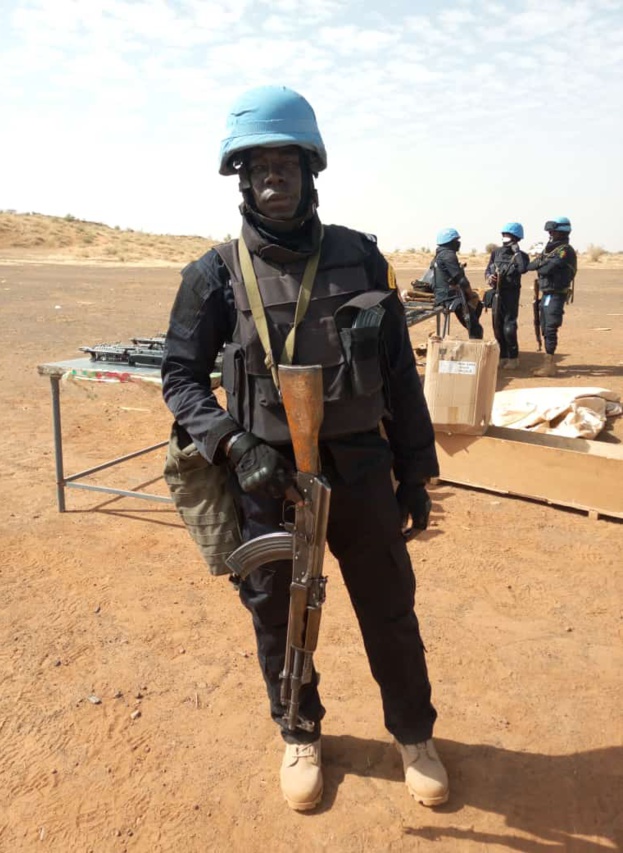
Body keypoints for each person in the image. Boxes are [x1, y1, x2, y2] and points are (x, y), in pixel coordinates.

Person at [161, 85, 448, 811]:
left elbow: (400, 378)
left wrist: (416, 473)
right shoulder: (214, 274)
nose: (272, 178)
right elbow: (180, 378)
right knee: (276, 613)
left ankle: (413, 735)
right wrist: (231, 445)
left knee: (389, 608)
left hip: (359, 467)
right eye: (256, 166)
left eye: (286, 162)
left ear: (311, 169)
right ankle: (299, 730)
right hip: (267, 474)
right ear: (239, 177)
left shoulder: (361, 257)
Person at [527, 217, 577, 377]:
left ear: (562, 232)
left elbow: (545, 269)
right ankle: (547, 362)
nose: (550, 234)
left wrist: (541, 263)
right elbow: (531, 266)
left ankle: (549, 365)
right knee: (544, 325)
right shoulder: (550, 250)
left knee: (550, 327)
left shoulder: (565, 251)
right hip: (547, 293)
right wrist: (541, 262)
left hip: (556, 294)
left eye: (552, 231)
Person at [484, 222, 530, 369]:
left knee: (509, 327)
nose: (505, 238)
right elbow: (487, 270)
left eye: (508, 235)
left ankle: (513, 358)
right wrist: (490, 277)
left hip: (511, 294)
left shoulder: (522, 256)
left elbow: (523, 269)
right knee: (497, 326)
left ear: (517, 238)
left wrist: (516, 253)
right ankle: (502, 356)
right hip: (497, 293)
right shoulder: (496, 253)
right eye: (504, 235)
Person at [432, 228, 483, 339]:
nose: (458, 243)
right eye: (456, 240)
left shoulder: (439, 255)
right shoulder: (448, 255)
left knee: (478, 307)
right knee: (476, 329)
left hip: (444, 294)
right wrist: (470, 293)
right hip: (451, 297)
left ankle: (471, 322)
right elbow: (461, 280)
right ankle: (475, 351)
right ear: (450, 242)